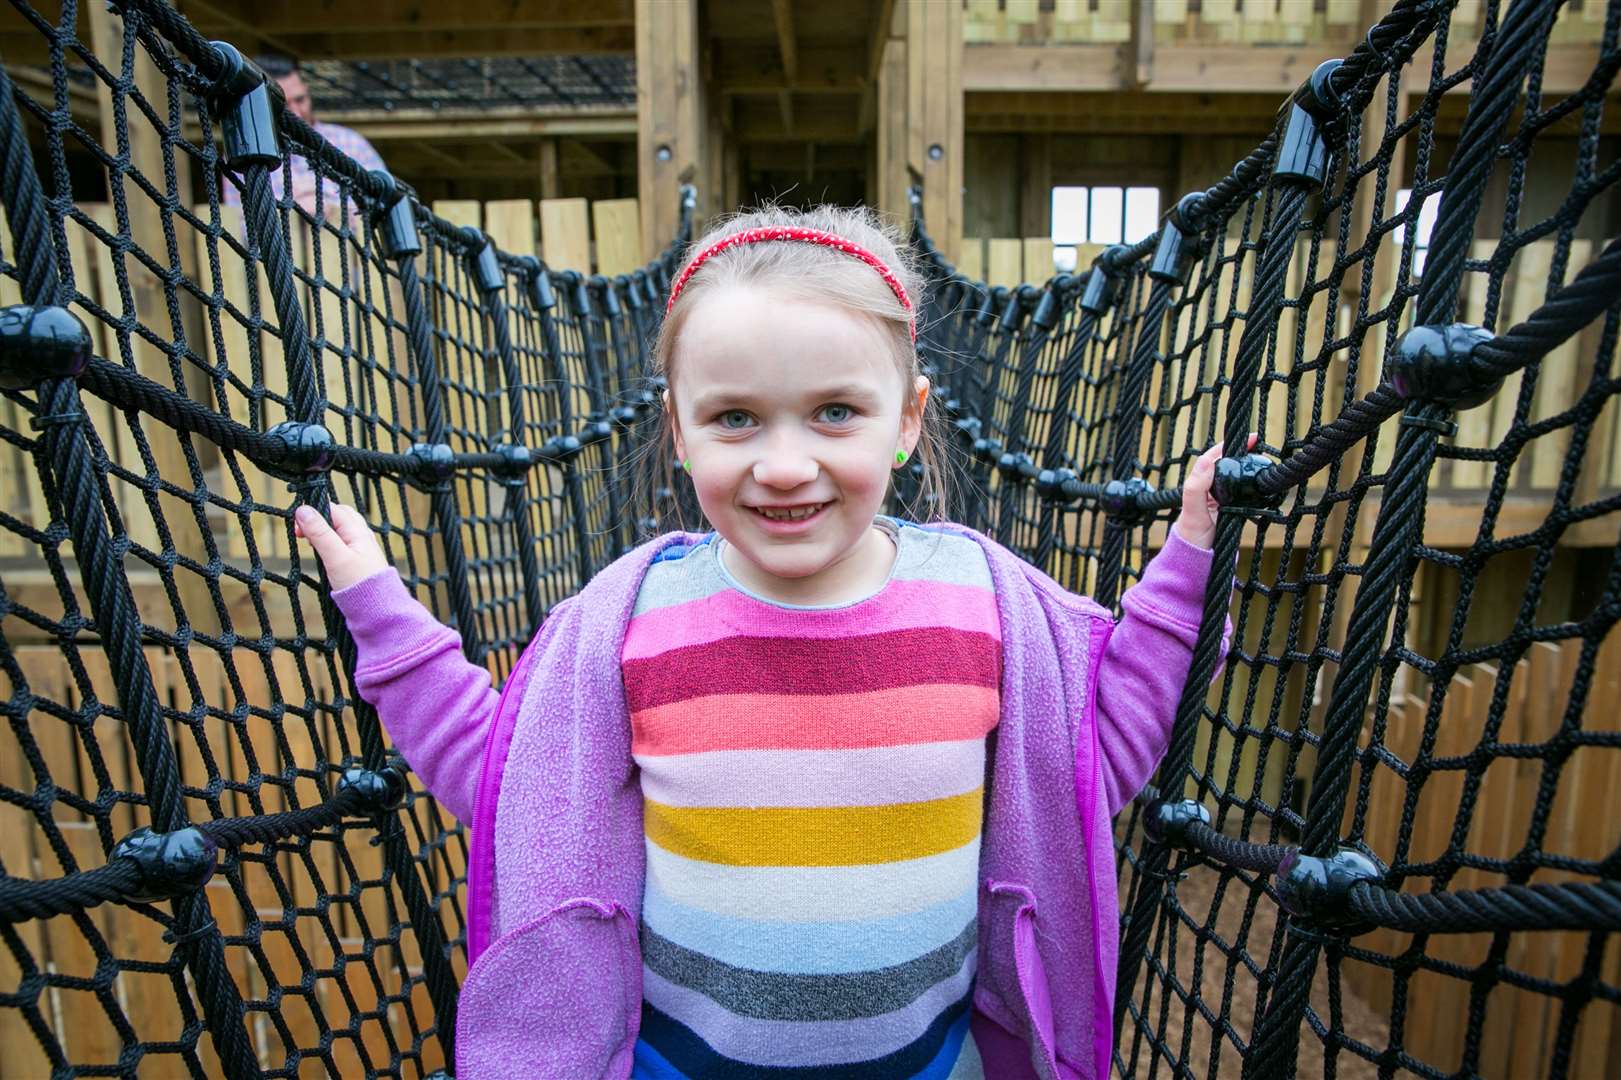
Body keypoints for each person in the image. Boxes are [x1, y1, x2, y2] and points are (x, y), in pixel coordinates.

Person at [293, 205, 1237, 1079]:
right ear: (678, 429)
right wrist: (388, 618)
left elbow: (1087, 763)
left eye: (836, 412)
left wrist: (1194, 565)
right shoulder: (636, 623)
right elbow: (519, 790)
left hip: (936, 1063)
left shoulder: (979, 606)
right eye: (734, 418)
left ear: (907, 420)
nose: (784, 466)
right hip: (679, 1063)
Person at [222, 54, 386, 218]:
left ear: (307, 93)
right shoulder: (244, 151)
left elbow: (382, 206)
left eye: (300, 100)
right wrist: (292, 208)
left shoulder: (351, 143)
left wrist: (328, 203)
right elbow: (241, 223)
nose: (297, 114)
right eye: (284, 105)